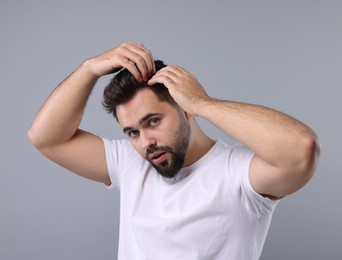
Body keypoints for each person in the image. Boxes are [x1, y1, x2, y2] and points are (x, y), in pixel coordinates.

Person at [28, 42, 321, 259]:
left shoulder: (238, 173)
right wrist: (89, 68)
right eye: (132, 132)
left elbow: (301, 148)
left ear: (184, 110)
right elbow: (46, 138)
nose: (145, 143)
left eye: (153, 121)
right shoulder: (130, 162)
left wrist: (203, 103)